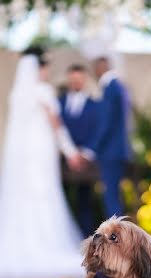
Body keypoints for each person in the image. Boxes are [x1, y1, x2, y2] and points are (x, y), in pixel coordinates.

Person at [0, 46, 83, 278]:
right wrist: (70, 151)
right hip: (40, 151)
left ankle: (20, 243)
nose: (47, 72)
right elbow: (55, 123)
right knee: (42, 193)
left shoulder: (18, 93)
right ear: (40, 68)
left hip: (23, 154)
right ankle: (44, 243)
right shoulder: (43, 91)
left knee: (25, 195)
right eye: (46, 67)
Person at [83, 57, 131, 218]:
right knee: (114, 195)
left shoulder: (110, 87)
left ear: (101, 67)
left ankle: (116, 240)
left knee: (111, 197)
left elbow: (106, 123)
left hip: (110, 152)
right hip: (117, 151)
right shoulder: (119, 86)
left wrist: (91, 149)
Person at [59, 64, 98, 237]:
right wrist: (68, 153)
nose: (76, 82)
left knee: (86, 201)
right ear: (69, 79)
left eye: (79, 79)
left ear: (84, 80)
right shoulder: (58, 103)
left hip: (86, 161)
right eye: (73, 79)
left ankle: (85, 239)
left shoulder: (94, 105)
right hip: (61, 160)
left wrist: (85, 153)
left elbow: (98, 131)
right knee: (62, 201)